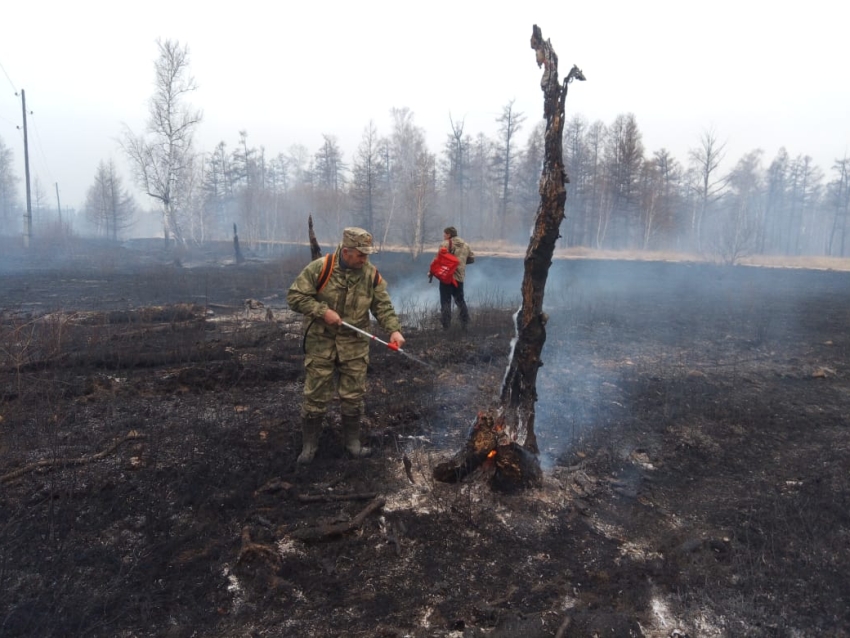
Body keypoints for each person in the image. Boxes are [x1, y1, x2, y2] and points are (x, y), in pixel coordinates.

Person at [287, 227, 405, 464]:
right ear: (347, 251)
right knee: (315, 397)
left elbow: (382, 306)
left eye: (367, 254)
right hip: (321, 343)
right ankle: (309, 447)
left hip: (354, 347)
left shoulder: (370, 274)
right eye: (360, 254)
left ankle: (353, 444)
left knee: (353, 396)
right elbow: (295, 297)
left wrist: (393, 329)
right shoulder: (321, 268)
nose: (364, 259)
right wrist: (322, 311)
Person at [432, 226, 475, 330]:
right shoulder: (466, 245)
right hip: (459, 277)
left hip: (446, 277)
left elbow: (437, 260)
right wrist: (461, 264)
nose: (443, 236)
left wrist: (432, 271)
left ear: (449, 235)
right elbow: (472, 259)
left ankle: (446, 326)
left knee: (445, 301)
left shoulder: (444, 244)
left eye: (445, 234)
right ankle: (465, 324)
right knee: (460, 300)